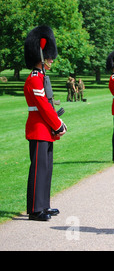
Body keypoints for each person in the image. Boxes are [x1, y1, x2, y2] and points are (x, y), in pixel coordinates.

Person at [24, 26, 67, 221]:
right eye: (49, 56)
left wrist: (56, 123)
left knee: (46, 168)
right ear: (41, 55)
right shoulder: (34, 79)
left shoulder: (41, 77)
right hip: (39, 128)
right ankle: (35, 209)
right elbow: (43, 106)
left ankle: (44, 204)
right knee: (38, 169)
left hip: (45, 129)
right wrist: (58, 125)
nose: (51, 60)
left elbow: (48, 107)